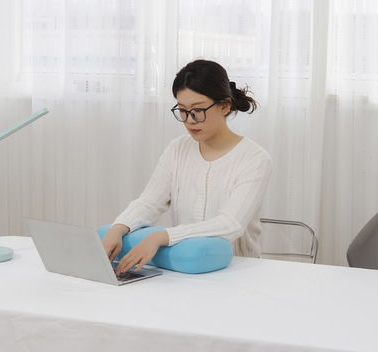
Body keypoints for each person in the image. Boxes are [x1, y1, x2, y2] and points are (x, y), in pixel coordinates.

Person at [102, 59, 272, 275]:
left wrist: (162, 237)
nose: (189, 120)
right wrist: (118, 227)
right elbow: (149, 202)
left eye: (198, 110)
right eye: (182, 110)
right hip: (185, 268)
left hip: (236, 271)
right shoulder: (177, 149)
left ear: (224, 106)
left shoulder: (254, 159)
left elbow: (230, 224)